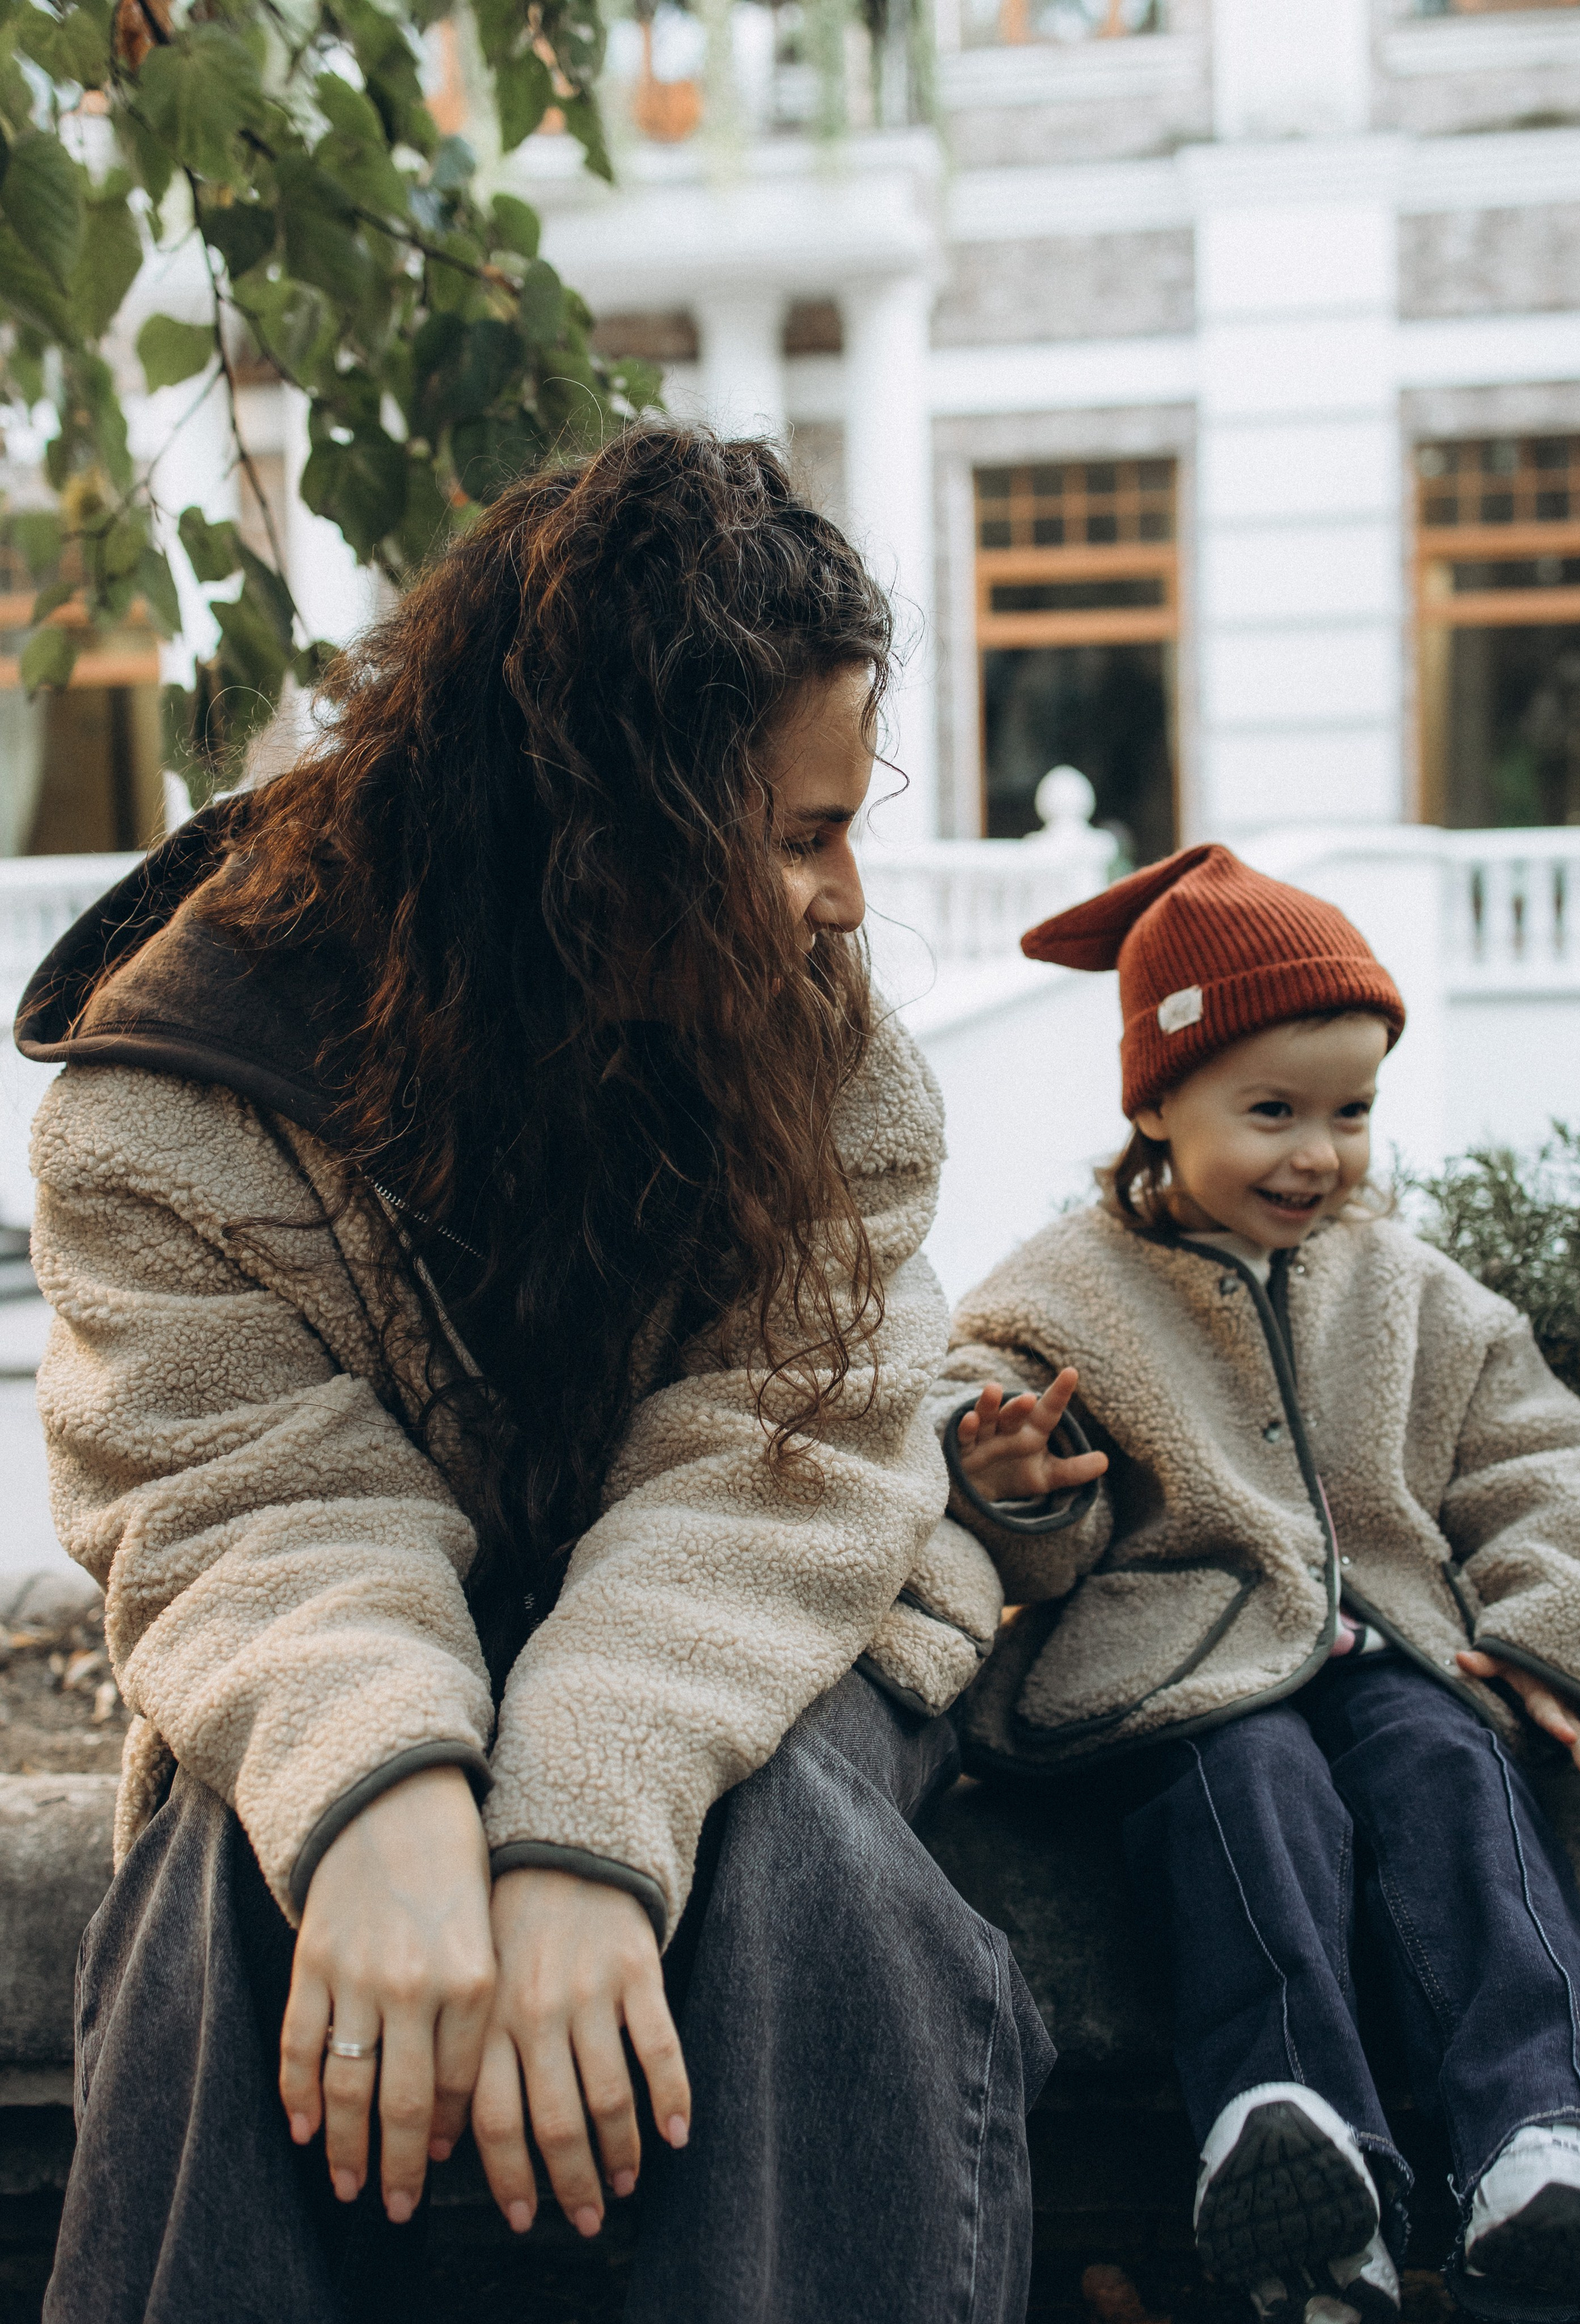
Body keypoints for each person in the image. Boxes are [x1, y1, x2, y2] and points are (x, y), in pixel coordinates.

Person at [17, 426, 1050, 2324]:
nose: (845, 903)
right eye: (803, 834)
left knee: (812, 1869)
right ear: (610, 838)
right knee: (212, 1899)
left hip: (760, 1607)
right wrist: (390, 1794)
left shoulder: (825, 1055)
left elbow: (782, 1452)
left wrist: (582, 1822)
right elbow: (234, 1486)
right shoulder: (167, 1100)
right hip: (342, 1635)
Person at [928, 844, 1580, 2324]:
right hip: (1175, 1672)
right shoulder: (1064, 1287)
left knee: (1452, 1776)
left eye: (1350, 1112)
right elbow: (1001, 1439)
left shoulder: (1402, 1287)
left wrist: (1539, 1634)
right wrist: (1006, 1477)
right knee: (1244, 1790)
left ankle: (1546, 2147)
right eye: (1267, 1112)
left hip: (1389, 1648)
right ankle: (1290, 2139)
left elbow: (1542, 1460)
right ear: (1153, 1103)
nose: (1315, 1155)